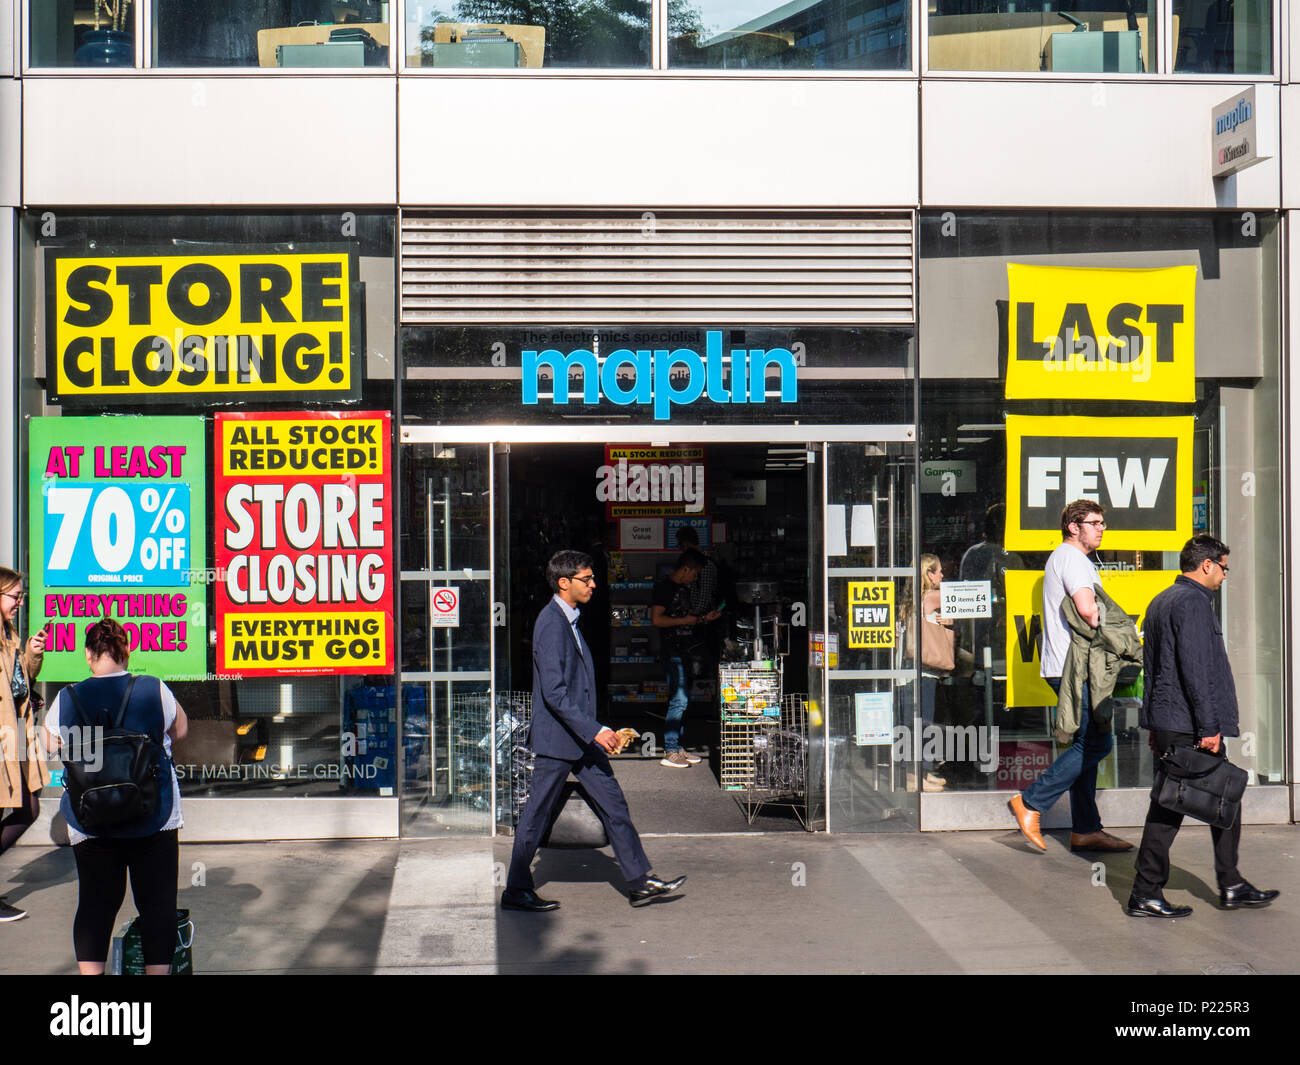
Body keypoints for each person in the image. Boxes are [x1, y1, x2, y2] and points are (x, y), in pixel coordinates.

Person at [503, 550, 685, 911]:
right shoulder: (551, 624)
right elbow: (554, 693)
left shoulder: (569, 619)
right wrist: (596, 728)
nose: (593, 585)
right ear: (563, 582)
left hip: (581, 739)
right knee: (536, 813)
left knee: (614, 805)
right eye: (586, 579)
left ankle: (639, 881)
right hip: (559, 740)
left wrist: (593, 731)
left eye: (592, 578)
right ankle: (516, 889)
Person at [1127, 535, 1278, 918]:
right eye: (1224, 568)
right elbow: (1195, 670)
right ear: (1207, 565)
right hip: (1192, 726)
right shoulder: (1192, 603)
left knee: (1219, 796)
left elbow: (1156, 669)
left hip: (1173, 722)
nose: (1226, 576)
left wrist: (1156, 725)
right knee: (1172, 809)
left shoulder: (1161, 601)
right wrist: (1208, 727)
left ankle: (1230, 883)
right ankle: (1147, 892)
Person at [42, 618, 187, 974]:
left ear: (89, 655)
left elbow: (48, 744)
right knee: (157, 905)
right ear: (126, 653)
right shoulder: (154, 688)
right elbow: (180, 730)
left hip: (90, 819)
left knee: (95, 904)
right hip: (153, 814)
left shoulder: (68, 697)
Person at [1007, 500, 1132, 854]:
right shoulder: (1073, 559)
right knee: (1096, 744)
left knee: (1086, 745)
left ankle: (1086, 828)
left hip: (1068, 666)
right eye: (1094, 523)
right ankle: (1031, 802)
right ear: (1073, 526)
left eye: (1102, 523)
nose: (1101, 528)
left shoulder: (1066, 558)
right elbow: (1089, 612)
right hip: (1075, 668)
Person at [0, 567, 50, 922]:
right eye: (14, 596)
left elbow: (19, 682)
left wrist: (31, 653)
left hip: (13, 736)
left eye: (21, 596)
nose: (19, 602)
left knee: (27, 807)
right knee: (26, 808)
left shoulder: (9, 633)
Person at [652, 548, 720, 768]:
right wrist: (686, 622)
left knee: (682, 699)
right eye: (695, 573)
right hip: (672, 651)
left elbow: (685, 618)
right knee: (679, 699)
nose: (696, 577)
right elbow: (657, 620)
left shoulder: (683, 589)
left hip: (684, 650)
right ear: (686, 568)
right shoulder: (664, 588)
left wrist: (703, 619)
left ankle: (677, 746)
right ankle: (670, 750)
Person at [911, 554, 951, 792]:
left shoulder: (916, 597)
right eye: (938, 572)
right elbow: (969, 601)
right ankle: (919, 776)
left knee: (920, 722)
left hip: (920, 670)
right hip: (925, 670)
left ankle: (922, 772)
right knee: (924, 722)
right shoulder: (932, 596)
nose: (942, 576)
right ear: (928, 574)